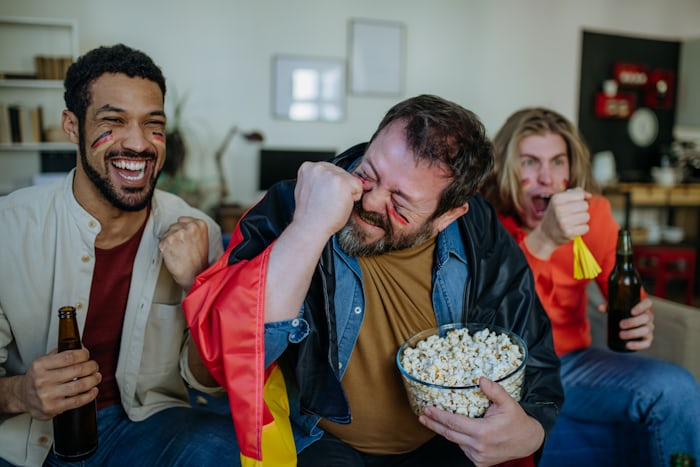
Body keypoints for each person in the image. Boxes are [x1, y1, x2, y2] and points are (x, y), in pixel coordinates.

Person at [183, 94, 564, 467]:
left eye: (399, 203)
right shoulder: (293, 203)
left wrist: (532, 430)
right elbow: (227, 358)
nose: (369, 202)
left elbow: (532, 348)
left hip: (440, 443)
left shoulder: (478, 230)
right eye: (367, 175)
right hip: (319, 439)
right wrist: (310, 227)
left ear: (447, 216)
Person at [0, 44, 239, 466]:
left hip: (147, 425)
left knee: (234, 452)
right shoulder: (9, 228)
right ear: (72, 126)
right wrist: (20, 392)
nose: (139, 143)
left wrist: (197, 286)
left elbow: (211, 383)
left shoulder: (195, 230)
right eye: (113, 121)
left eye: (153, 125)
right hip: (31, 439)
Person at [482, 107, 700, 465]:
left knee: (677, 388)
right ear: (507, 167)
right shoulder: (483, 216)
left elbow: (625, 287)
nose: (547, 178)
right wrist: (544, 240)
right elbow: (493, 313)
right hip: (508, 373)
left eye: (557, 162)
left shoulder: (591, 213)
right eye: (530, 162)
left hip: (572, 364)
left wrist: (639, 317)